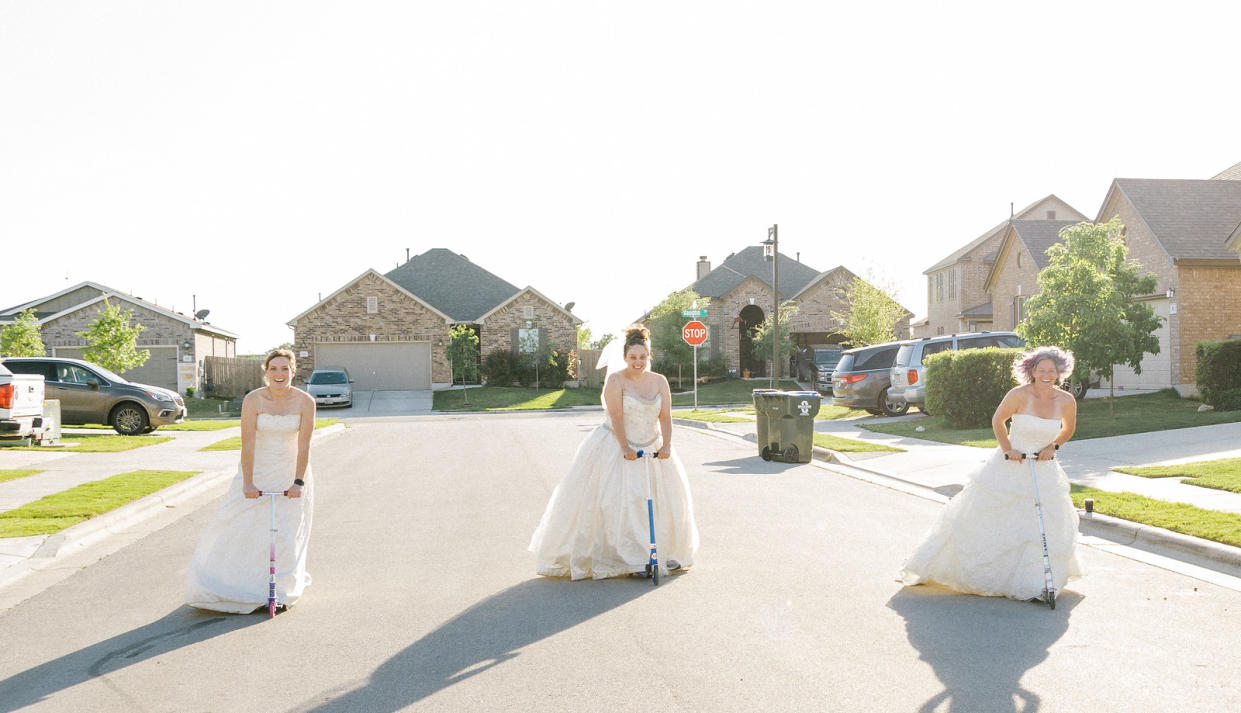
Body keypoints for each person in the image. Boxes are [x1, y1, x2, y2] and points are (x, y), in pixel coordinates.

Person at [898, 346, 1082, 601]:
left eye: (1052, 370)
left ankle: (1039, 583)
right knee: (990, 519)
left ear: (1060, 372)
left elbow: (1068, 429)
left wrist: (1054, 446)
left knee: (1042, 524)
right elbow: (998, 420)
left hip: (1043, 468)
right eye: (1041, 370)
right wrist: (1009, 449)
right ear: (1032, 371)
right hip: (1011, 464)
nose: (1047, 374)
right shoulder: (1019, 394)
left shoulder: (1065, 400)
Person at [530, 326, 699, 580]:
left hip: (653, 445)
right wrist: (625, 448)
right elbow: (617, 417)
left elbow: (665, 416)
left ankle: (660, 553)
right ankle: (627, 556)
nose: (638, 362)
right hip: (617, 444)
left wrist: (667, 445)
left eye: (643, 357)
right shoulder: (616, 380)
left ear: (649, 357)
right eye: (633, 358)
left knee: (660, 501)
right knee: (619, 501)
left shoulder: (660, 381)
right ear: (625, 357)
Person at [186, 349, 317, 613]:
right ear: (265, 372)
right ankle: (233, 585)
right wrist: (248, 482)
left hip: (290, 471)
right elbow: (247, 443)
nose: (279, 374)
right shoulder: (253, 400)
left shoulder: (305, 402)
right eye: (273, 369)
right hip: (256, 470)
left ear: (293, 371)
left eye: (284, 369)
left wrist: (298, 482)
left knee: (285, 531)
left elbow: (304, 446)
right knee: (238, 525)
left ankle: (279, 591)